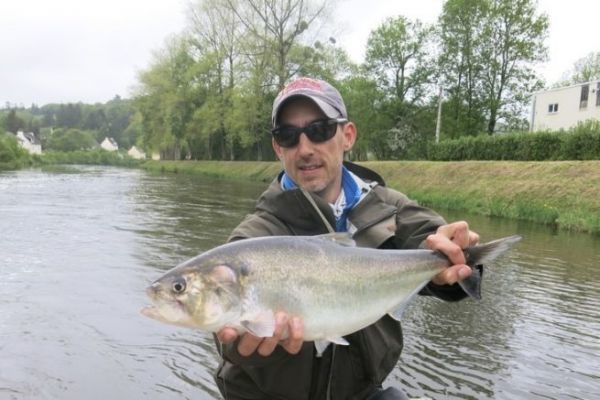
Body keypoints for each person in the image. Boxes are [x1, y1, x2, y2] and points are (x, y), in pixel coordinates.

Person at [213, 77, 480, 400]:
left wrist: (456, 259)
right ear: (277, 147)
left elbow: (435, 243)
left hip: (361, 393)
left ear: (347, 135)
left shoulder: (388, 209)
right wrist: (246, 346)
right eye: (289, 136)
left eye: (320, 130)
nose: (305, 148)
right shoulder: (255, 237)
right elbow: (225, 336)